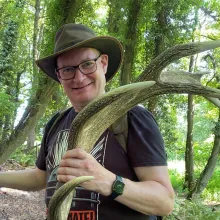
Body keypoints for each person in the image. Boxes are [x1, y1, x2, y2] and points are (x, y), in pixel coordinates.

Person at [0, 23, 174, 220]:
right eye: (67, 69)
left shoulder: (132, 118)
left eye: (87, 64)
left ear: (103, 63)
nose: (79, 77)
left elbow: (165, 202)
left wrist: (108, 181)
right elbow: (40, 177)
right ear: (59, 76)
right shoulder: (56, 122)